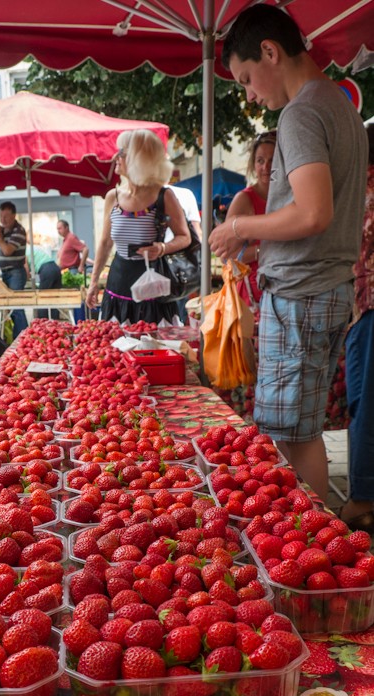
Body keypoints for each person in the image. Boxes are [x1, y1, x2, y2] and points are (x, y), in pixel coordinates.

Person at [208, 5, 368, 503]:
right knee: (301, 431)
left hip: (301, 294)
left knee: (291, 438)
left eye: (248, 77)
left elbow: (312, 213)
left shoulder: (302, 112)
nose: (250, 94)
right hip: (323, 288)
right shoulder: (341, 106)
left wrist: (238, 226)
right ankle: (313, 541)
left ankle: (311, 546)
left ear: (271, 52)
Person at [85, 129, 190, 324]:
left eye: (122, 153)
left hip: (152, 285)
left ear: (138, 159)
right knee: (116, 347)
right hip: (118, 282)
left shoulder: (163, 196)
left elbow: (185, 237)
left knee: (153, 346)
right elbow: (105, 243)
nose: (116, 157)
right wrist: (93, 283)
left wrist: (162, 248)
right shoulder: (113, 197)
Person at [341, 124, 374, 533]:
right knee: (362, 400)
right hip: (361, 306)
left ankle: (363, 496)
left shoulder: (361, 191)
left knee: (364, 403)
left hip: (367, 306)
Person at [225, 130, 277, 307]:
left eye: (272, 160)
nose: (266, 167)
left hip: (284, 290)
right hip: (252, 297)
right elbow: (227, 254)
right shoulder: (244, 199)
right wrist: (263, 252)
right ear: (253, 164)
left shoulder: (292, 197)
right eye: (260, 160)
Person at [168, 184, 202, 323]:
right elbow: (197, 233)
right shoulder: (186, 193)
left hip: (154, 266)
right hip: (180, 268)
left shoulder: (141, 194)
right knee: (178, 318)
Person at [0, 201, 28, 338]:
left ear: (14, 216)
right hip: (7, 273)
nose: (3, 220)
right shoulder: (4, 229)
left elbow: (7, 250)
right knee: (11, 308)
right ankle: (20, 337)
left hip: (16, 273)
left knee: (16, 307)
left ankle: (22, 337)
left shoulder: (19, 231)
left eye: (6, 216)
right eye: (1, 216)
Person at [28, 243, 62, 320]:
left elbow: (26, 269)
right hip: (55, 267)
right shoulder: (33, 248)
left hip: (46, 270)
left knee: (42, 298)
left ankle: (42, 323)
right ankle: (55, 323)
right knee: (54, 298)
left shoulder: (24, 251)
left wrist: (27, 277)